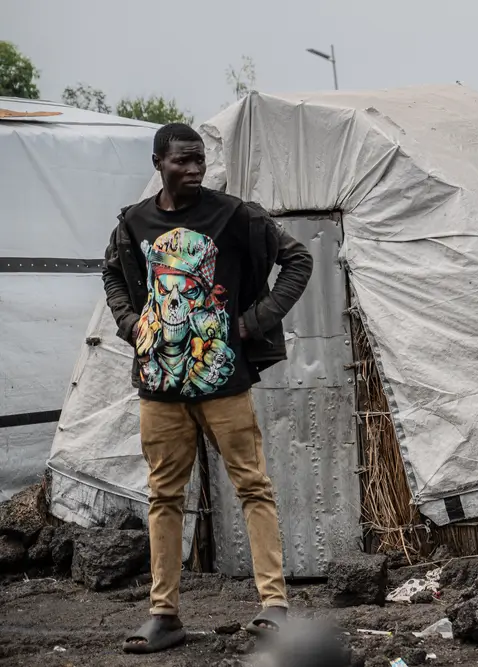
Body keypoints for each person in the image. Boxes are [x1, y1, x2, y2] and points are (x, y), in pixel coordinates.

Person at [103, 123, 314, 653]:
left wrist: (253, 322)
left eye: (199, 160)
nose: (194, 169)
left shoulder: (233, 215)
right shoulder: (135, 223)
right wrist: (132, 324)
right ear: (158, 163)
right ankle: (164, 614)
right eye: (182, 161)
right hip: (159, 387)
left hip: (223, 381)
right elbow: (111, 275)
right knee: (163, 496)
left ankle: (274, 607)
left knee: (252, 486)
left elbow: (298, 260)